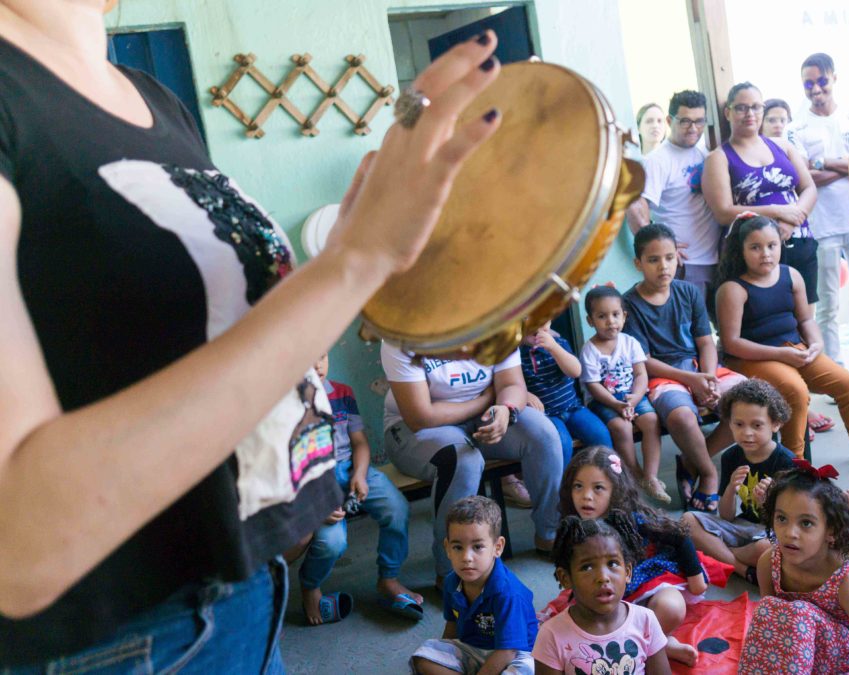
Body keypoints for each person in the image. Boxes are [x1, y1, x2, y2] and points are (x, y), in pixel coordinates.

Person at [0, 0, 504, 665]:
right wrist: (354, 263)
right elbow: (21, 544)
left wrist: (378, 275)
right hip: (117, 638)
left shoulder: (153, 100)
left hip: (242, 588)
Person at [381, 340, 562, 583]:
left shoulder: (496, 325)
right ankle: (449, 571)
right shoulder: (402, 339)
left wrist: (506, 409)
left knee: (543, 434)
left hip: (480, 416)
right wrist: (485, 400)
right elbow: (421, 416)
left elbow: (512, 384)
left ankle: (549, 534)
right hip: (413, 430)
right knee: (463, 460)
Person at [715, 213, 849, 463]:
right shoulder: (733, 289)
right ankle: (794, 464)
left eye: (771, 245)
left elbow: (806, 320)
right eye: (755, 247)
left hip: (794, 349)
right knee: (795, 391)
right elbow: (732, 343)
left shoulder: (791, 275)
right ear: (741, 250)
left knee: (848, 384)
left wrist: (816, 344)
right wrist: (781, 354)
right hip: (752, 357)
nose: (765, 253)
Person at [288, 354, 420, 625]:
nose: (317, 364)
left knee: (396, 508)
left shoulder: (343, 393)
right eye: (309, 357)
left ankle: (388, 579)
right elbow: (290, 464)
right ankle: (311, 587)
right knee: (331, 542)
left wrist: (360, 474)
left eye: (322, 356)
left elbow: (359, 442)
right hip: (314, 480)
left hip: (351, 467)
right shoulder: (286, 405)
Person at [622, 224, 746, 512]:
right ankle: (709, 473)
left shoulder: (688, 292)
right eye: (653, 260)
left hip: (700, 368)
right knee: (681, 417)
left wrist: (708, 378)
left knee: (748, 400)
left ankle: (691, 461)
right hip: (661, 376)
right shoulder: (630, 304)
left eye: (669, 257)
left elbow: (706, 342)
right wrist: (692, 380)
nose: (664, 266)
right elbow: (644, 361)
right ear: (638, 264)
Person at [560, 447, 707, 666]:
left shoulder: (632, 519)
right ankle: (656, 646)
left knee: (671, 607)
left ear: (615, 490)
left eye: (598, 488)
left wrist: (695, 576)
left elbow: (678, 535)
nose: (586, 496)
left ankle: (658, 642)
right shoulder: (573, 527)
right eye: (578, 486)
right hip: (604, 595)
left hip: (646, 582)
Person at [738, 464, 849, 674]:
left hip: (848, 653)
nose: (790, 533)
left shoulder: (845, 579)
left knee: (798, 613)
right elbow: (769, 622)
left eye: (806, 523)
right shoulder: (768, 562)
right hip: (800, 652)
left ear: (831, 531)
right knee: (768, 607)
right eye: (781, 519)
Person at [787, 52, 849, 394]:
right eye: (808, 84)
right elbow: (803, 177)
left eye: (821, 81)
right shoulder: (796, 126)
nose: (816, 89)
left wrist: (824, 163)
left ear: (834, 78)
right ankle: (834, 373)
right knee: (826, 304)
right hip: (821, 225)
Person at [703, 82, 819, 311]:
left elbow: (809, 189)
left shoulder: (783, 146)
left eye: (756, 107)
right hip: (754, 251)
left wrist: (790, 220)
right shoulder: (719, 157)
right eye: (741, 108)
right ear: (728, 113)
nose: (750, 114)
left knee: (805, 318)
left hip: (798, 239)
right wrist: (776, 212)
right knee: (767, 318)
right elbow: (723, 212)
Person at [681, 378, 795, 584]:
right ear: (729, 424)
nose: (747, 433)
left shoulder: (787, 461)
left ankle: (721, 554)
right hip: (741, 527)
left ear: (775, 424)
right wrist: (731, 489)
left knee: (767, 549)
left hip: (769, 532)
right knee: (687, 521)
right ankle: (744, 570)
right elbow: (726, 516)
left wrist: (767, 502)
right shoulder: (731, 456)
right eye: (739, 424)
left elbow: (790, 521)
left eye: (757, 425)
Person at [410, 497, 536, 675]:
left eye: (477, 547)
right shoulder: (451, 582)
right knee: (423, 657)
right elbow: (452, 625)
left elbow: (507, 651)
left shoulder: (508, 593)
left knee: (527, 669)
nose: (466, 557)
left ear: (497, 547)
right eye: (458, 547)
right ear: (447, 548)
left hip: (512, 654)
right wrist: (445, 655)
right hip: (473, 647)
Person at [533, 514, 671, 675]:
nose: (603, 577)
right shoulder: (552, 635)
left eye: (612, 563)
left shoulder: (646, 620)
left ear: (628, 572)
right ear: (565, 578)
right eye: (587, 567)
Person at [629, 90, 722, 299]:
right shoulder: (657, 160)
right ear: (670, 121)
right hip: (684, 265)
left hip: (715, 260)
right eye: (685, 121)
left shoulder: (704, 152)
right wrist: (658, 248)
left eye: (699, 121)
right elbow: (635, 205)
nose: (693, 128)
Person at [580, 286, 666, 502]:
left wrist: (635, 397)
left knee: (651, 421)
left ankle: (651, 476)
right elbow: (593, 385)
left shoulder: (630, 343)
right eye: (602, 316)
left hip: (632, 395)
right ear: (590, 321)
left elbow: (641, 374)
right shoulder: (589, 350)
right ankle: (634, 473)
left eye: (615, 314)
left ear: (624, 316)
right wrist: (615, 404)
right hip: (604, 400)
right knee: (622, 427)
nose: (610, 321)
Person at [520, 321, 612, 467]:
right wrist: (524, 394)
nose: (537, 327)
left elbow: (576, 371)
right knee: (561, 444)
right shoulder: (515, 354)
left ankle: (607, 476)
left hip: (573, 408)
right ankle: (564, 480)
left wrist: (554, 348)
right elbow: (510, 382)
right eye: (531, 321)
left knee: (600, 434)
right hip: (546, 416)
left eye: (543, 320)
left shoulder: (559, 343)